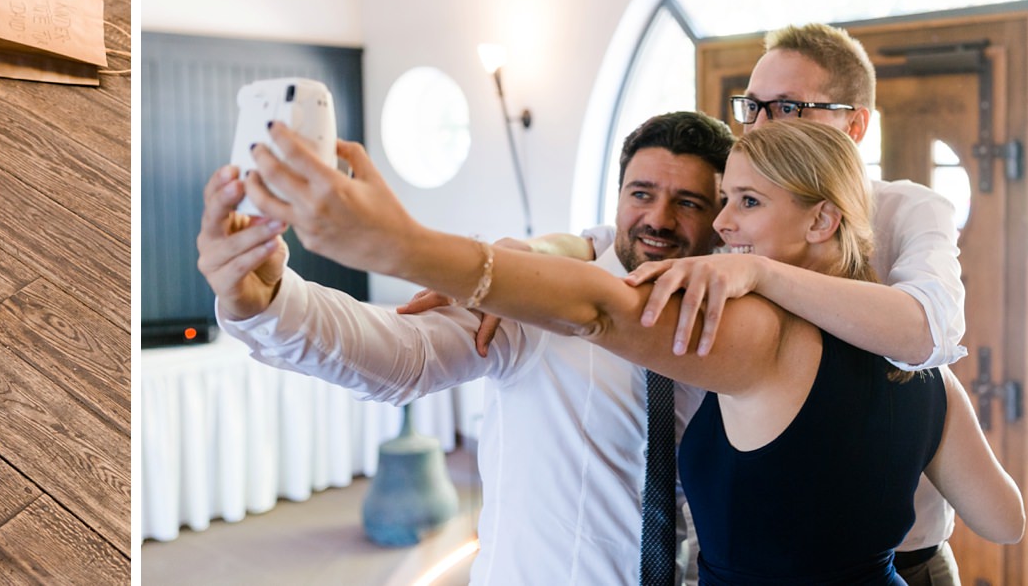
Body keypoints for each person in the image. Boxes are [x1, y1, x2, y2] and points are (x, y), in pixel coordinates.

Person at [240, 117, 1024, 584]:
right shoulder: (926, 372)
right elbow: (1003, 517)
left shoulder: (754, 333)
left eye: (727, 203)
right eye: (641, 194)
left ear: (819, 221)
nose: (716, 225)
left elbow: (598, 311)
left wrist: (400, 243)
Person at [200, 112, 729, 583]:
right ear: (617, 199)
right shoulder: (541, 294)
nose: (659, 218)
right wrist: (271, 301)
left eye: (688, 202)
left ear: (720, 220)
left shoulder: (734, 327)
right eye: (642, 193)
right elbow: (405, 355)